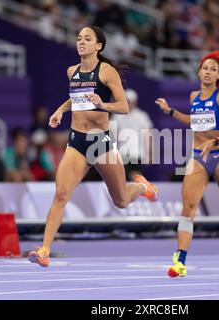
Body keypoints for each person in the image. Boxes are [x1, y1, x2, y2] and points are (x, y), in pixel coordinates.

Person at [28, 26, 158, 267]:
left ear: (98, 46)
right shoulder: (72, 71)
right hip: (77, 140)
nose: (81, 42)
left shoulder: (107, 72)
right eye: (79, 38)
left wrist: (102, 105)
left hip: (100, 141)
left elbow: (123, 106)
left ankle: (141, 187)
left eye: (87, 39)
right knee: (61, 194)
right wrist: (60, 110)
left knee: (120, 200)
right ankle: (45, 250)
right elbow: (75, 96)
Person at [155, 50, 219, 278]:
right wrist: (170, 111)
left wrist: (215, 141)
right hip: (198, 157)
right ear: (199, 72)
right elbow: (194, 121)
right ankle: (180, 261)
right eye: (205, 68)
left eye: (213, 69)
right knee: (188, 207)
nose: (208, 72)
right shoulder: (193, 97)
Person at [111, 88, 153, 180]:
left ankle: (135, 192)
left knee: (135, 176)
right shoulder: (117, 115)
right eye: (127, 101)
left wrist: (149, 154)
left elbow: (147, 135)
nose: (129, 104)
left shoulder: (142, 116)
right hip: (122, 152)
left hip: (136, 153)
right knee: (123, 177)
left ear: (135, 102)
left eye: (130, 101)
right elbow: (113, 134)